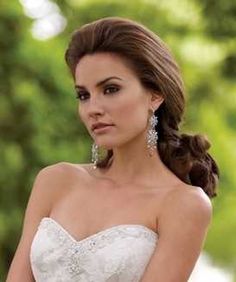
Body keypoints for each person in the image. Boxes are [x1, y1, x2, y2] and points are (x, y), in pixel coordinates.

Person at [6, 16, 219, 282]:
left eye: (110, 89)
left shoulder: (183, 204)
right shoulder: (55, 181)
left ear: (155, 95)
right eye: (83, 95)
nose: (93, 108)